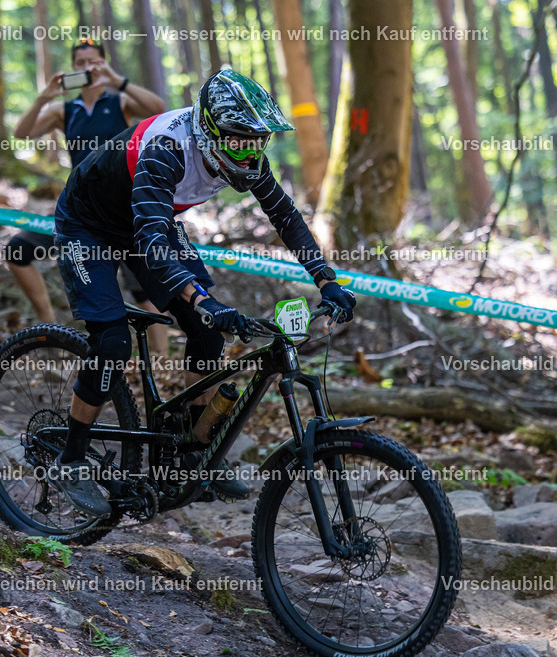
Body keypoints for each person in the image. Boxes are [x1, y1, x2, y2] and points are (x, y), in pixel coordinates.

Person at [47, 69, 357, 518]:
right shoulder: (167, 150)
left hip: (149, 220)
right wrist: (201, 299)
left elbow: (286, 217)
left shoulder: (244, 153)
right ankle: (71, 458)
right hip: (88, 225)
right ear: (210, 130)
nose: (249, 153)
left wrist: (327, 280)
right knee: (111, 341)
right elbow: (152, 244)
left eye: (258, 142)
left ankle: (193, 449)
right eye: (240, 143)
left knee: (207, 333)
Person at [10, 39, 168, 354]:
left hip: (123, 208)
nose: (87, 68)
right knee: (18, 250)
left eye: (94, 62)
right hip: (78, 211)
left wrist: (116, 80)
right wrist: (44, 97)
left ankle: (162, 361)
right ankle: (49, 330)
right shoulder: (64, 110)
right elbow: (21, 134)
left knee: (145, 289)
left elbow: (158, 110)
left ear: (103, 63)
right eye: (80, 63)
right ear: (73, 68)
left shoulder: (121, 102)